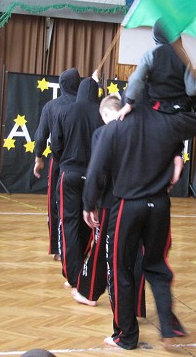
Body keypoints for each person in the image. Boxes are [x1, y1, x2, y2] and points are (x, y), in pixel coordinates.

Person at [82, 99, 196, 350]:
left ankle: (126, 336)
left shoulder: (113, 129)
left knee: (120, 270)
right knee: (158, 267)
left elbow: (97, 169)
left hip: (128, 207)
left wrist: (89, 204)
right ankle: (168, 325)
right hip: (160, 206)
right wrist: (193, 97)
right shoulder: (168, 124)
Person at [74, 95, 147, 317]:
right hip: (141, 201)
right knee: (135, 255)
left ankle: (88, 293)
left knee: (104, 250)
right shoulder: (140, 132)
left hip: (111, 202)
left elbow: (99, 171)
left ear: (105, 114)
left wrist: (90, 203)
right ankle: (134, 307)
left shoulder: (104, 133)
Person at [50, 72, 104, 301]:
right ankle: (82, 273)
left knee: (68, 223)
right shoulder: (101, 115)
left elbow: (56, 145)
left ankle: (73, 276)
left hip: (69, 174)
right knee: (90, 224)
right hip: (93, 177)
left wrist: (65, 164)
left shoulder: (65, 111)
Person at [33, 68, 81, 261]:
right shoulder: (87, 105)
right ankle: (79, 248)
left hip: (61, 163)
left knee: (56, 204)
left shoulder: (52, 106)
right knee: (82, 206)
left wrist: (38, 158)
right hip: (85, 165)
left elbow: (41, 135)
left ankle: (58, 248)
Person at [117, 20, 196, 120]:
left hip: (157, 109)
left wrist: (129, 103)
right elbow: (193, 90)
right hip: (180, 111)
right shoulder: (184, 56)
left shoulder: (151, 54)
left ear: (155, 36)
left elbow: (136, 79)